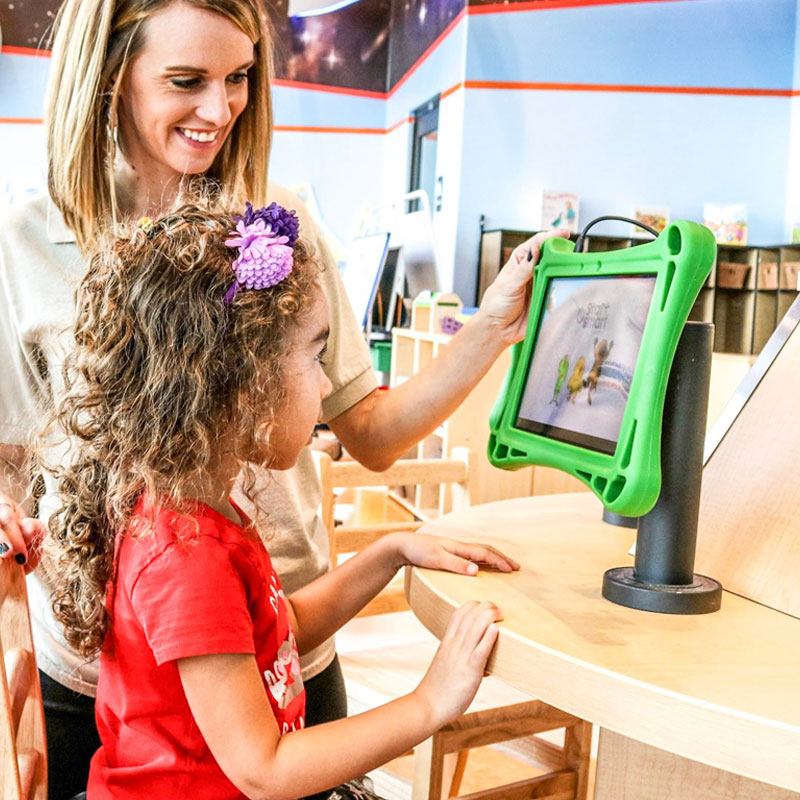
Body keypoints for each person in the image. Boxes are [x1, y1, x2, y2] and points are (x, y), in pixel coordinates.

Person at [0, 0, 565, 794]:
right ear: (110, 74)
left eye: (238, 79)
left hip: (274, 647)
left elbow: (366, 435)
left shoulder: (277, 227)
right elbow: (14, 460)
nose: (220, 108)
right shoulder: (23, 238)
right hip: (99, 673)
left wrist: (489, 333)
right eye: (187, 80)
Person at [42, 200, 516, 799]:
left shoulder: (204, 508)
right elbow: (264, 771)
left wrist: (391, 551)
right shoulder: (185, 557)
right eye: (315, 356)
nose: (325, 384)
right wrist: (428, 703)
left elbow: (276, 627)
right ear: (237, 384)